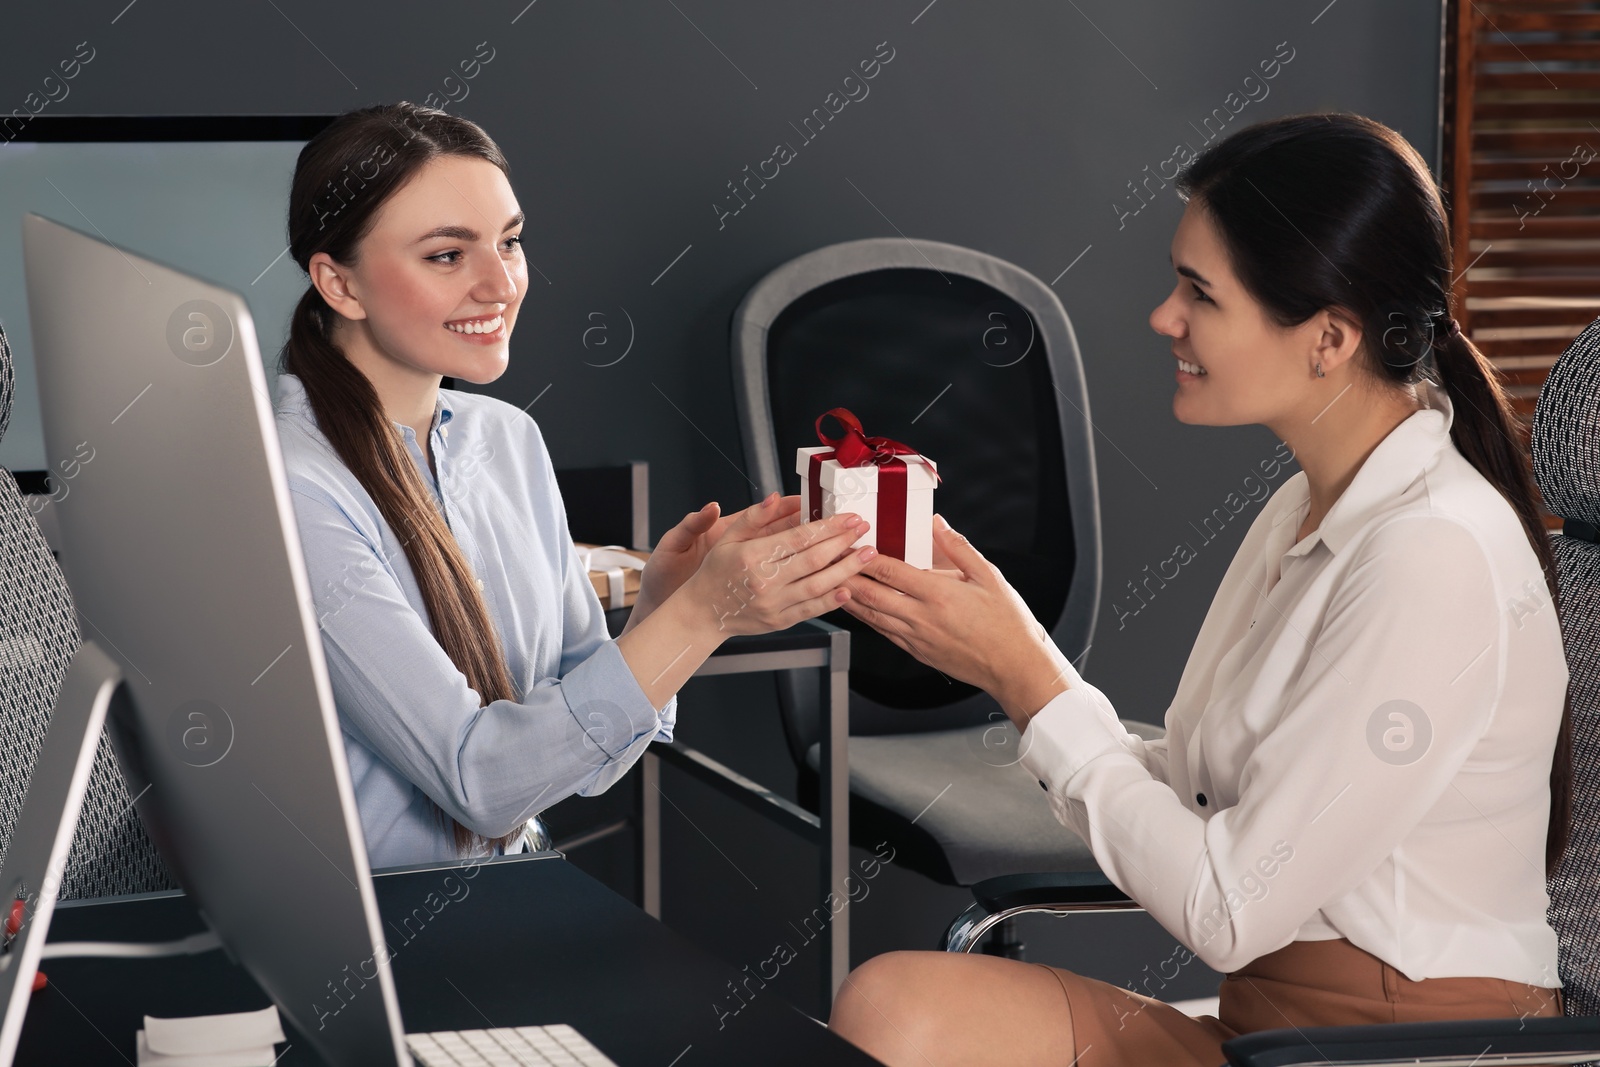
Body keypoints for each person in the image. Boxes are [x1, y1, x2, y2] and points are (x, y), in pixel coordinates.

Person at [827, 112, 1574, 1066]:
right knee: (896, 1006)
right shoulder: (1307, 510)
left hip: (1403, 1047)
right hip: (1269, 1031)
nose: (1164, 316)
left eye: (1200, 293)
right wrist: (1016, 646)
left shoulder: (1433, 553)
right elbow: (1191, 794)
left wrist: (1026, 681)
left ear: (1329, 338)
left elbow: (1229, 905)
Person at [273, 102, 876, 869]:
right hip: (372, 934)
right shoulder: (292, 487)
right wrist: (698, 616)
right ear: (340, 283)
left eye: (511, 242)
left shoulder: (506, 441)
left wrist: (659, 607)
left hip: (508, 890)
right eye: (447, 256)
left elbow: (584, 763)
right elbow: (482, 780)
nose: (501, 284)